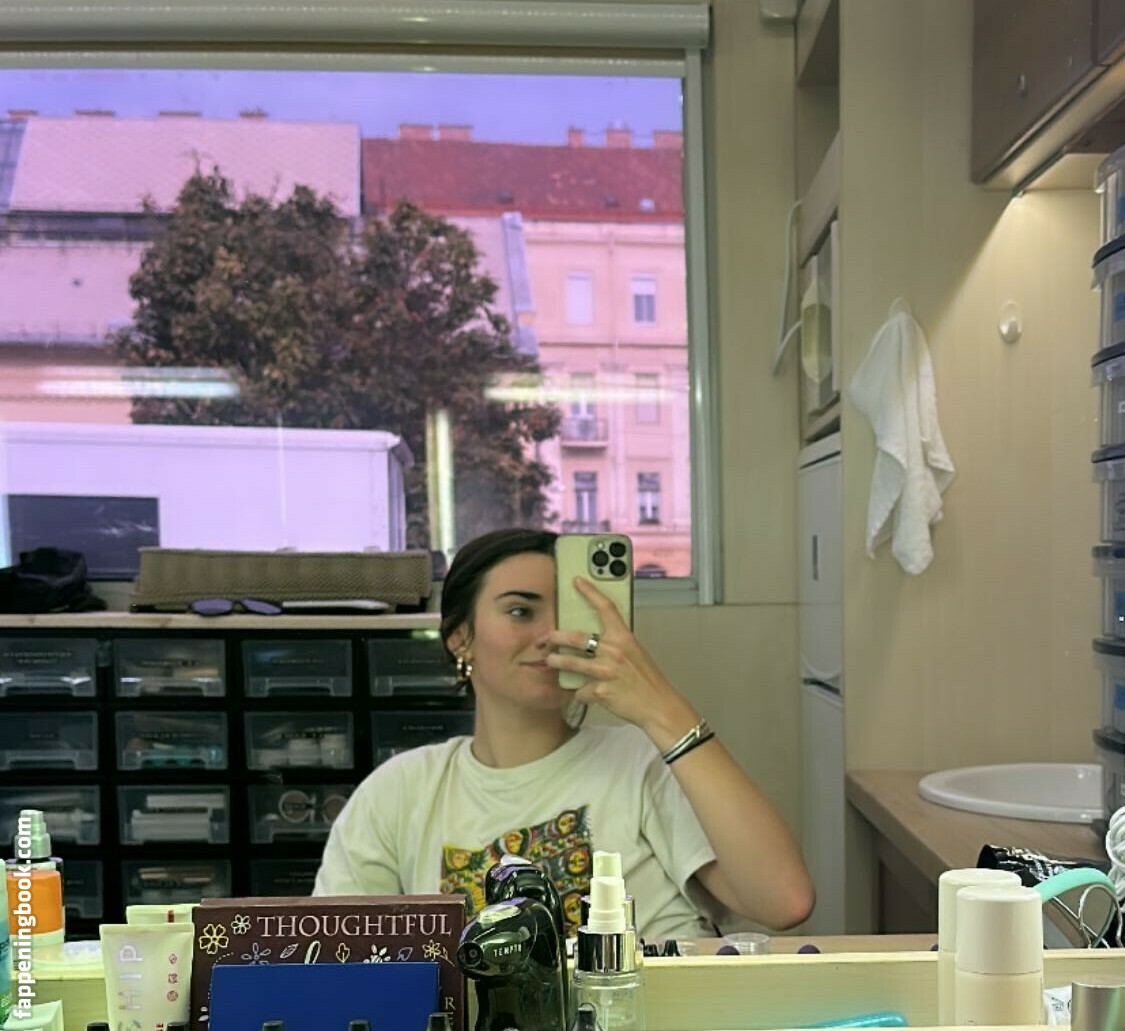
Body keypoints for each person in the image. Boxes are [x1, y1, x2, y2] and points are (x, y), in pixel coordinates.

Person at [313, 528, 814, 939]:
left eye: (568, 614)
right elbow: (339, 961)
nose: (552, 635)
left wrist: (662, 710)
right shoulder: (399, 792)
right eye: (520, 611)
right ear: (460, 638)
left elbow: (784, 901)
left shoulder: (642, 763)